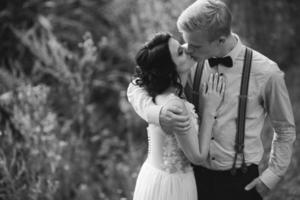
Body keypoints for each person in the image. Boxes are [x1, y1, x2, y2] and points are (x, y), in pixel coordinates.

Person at [127, 0, 296, 200]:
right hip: (193, 182)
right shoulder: (186, 61)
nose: (188, 49)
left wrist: (272, 176)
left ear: (221, 40)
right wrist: (157, 113)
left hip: (240, 183)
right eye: (185, 42)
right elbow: (137, 85)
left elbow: (285, 129)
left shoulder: (267, 73)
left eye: (195, 45)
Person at [131, 32, 225, 200]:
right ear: (169, 70)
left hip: (153, 177)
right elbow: (197, 156)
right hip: (173, 187)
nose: (187, 49)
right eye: (180, 52)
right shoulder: (176, 106)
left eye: (180, 45)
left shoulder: (157, 93)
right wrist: (210, 108)